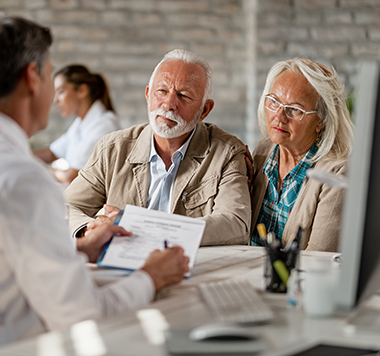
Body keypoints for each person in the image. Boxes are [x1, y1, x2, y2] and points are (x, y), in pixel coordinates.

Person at [0, 15, 189, 356]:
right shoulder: (19, 176)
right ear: (32, 76)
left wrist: (78, 251)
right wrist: (150, 277)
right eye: (50, 72)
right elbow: (82, 316)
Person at [65, 49, 251, 246]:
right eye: (162, 91)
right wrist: (90, 229)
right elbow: (67, 206)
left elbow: (235, 223)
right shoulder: (112, 149)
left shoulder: (227, 152)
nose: (169, 104)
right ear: (148, 95)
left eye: (184, 95)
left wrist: (142, 228)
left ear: (204, 110)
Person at [249, 58, 354, 252]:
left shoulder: (337, 173)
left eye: (295, 109)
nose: (279, 116)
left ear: (321, 120)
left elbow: (319, 258)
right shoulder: (263, 151)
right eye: (274, 101)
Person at [33, 64, 120, 184]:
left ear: (81, 91)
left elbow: (70, 177)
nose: (56, 100)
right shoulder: (80, 123)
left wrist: (32, 167)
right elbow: (51, 152)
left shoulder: (104, 125)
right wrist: (19, 155)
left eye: (61, 92)